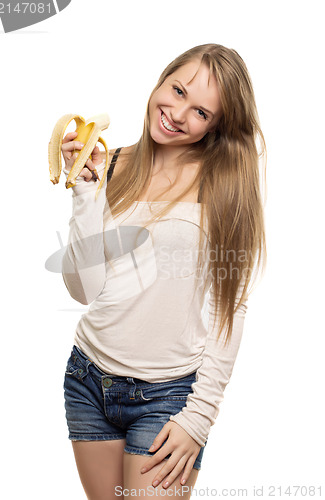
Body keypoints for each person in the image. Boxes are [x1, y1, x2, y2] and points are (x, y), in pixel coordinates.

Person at [61, 43, 266, 499]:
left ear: (216, 126)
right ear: (162, 79)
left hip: (169, 395)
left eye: (200, 112)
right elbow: (85, 290)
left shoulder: (223, 185)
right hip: (88, 381)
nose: (176, 112)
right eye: (176, 90)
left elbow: (231, 306)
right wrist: (84, 191)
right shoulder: (108, 163)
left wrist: (198, 417)